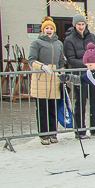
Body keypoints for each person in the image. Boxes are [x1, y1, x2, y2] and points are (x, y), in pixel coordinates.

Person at [63, 13, 95, 138]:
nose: (81, 27)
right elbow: (71, 59)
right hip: (80, 74)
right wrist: (87, 63)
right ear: (75, 25)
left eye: (83, 24)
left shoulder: (91, 36)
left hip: (93, 74)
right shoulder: (69, 40)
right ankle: (80, 130)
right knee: (80, 102)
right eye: (79, 24)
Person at [28, 17, 64, 145]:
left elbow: (61, 61)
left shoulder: (59, 44)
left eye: (51, 28)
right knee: (42, 107)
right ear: (43, 30)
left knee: (53, 107)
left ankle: (53, 132)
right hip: (41, 77)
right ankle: (44, 134)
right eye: (47, 28)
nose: (49, 30)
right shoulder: (36, 43)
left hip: (54, 78)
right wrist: (41, 66)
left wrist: (62, 72)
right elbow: (31, 60)